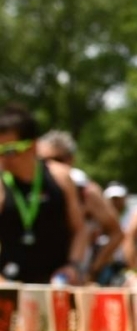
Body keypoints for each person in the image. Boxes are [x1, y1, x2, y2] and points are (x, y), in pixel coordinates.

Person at [0, 104, 88, 284]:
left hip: (56, 284)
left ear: (32, 146)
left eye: (9, 151)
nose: (3, 158)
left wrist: (73, 266)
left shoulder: (61, 177)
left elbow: (80, 230)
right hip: (10, 284)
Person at [37, 130, 123, 283]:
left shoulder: (86, 190)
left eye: (57, 159)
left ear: (71, 159)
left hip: (74, 277)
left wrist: (93, 270)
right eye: (44, 160)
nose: (51, 166)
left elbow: (116, 233)